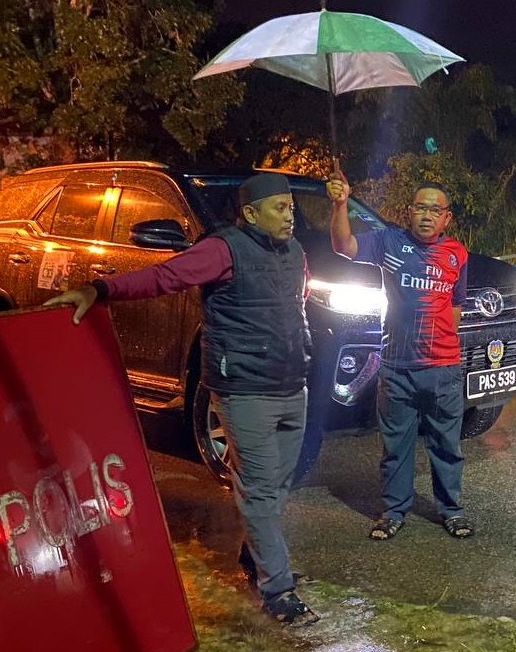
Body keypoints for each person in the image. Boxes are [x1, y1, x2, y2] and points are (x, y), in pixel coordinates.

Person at [44, 173, 319, 627]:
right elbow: (164, 277)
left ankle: (256, 557)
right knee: (259, 490)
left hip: (292, 386)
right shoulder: (223, 249)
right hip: (244, 390)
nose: (290, 216)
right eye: (280, 208)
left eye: (291, 207)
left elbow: (296, 303)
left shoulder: (294, 252)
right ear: (251, 213)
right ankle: (278, 590)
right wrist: (102, 290)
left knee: (279, 485)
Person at [326, 167, 473, 541]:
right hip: (396, 367)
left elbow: (456, 307)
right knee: (396, 446)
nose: (426, 215)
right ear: (409, 211)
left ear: (446, 217)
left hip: (443, 369)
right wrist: (340, 204)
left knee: (446, 445)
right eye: (420, 208)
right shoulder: (387, 242)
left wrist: (440, 343)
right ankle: (393, 511)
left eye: (434, 210)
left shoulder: (457, 254)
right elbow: (343, 246)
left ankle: (452, 511)